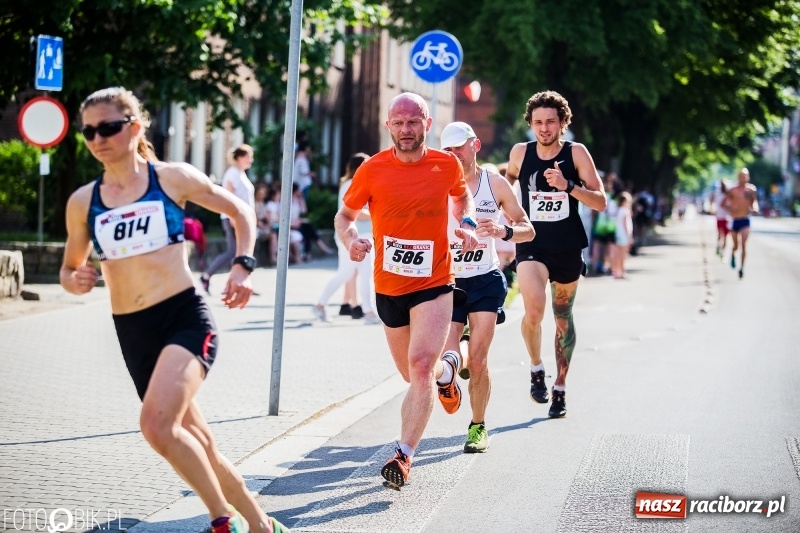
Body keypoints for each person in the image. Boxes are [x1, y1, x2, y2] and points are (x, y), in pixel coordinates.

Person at [60, 87, 287, 533]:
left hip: (184, 318)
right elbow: (70, 269)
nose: (98, 138)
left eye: (108, 127)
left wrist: (242, 266)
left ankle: (224, 522)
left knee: (157, 427)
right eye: (89, 131)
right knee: (199, 443)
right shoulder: (83, 202)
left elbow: (240, 211)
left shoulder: (171, 179)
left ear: (135, 127)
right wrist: (76, 279)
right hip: (132, 332)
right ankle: (264, 526)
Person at [334, 92, 479, 489]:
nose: (405, 130)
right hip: (389, 286)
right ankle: (445, 376)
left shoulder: (446, 164)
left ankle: (404, 455)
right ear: (388, 127)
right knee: (411, 374)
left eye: (413, 122)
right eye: (398, 123)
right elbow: (345, 215)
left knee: (418, 366)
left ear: (427, 124)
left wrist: (463, 223)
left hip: (434, 282)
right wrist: (351, 240)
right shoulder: (373, 170)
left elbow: (461, 196)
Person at [505, 90, 607, 418]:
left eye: (551, 121)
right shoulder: (520, 153)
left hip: (566, 246)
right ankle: (536, 367)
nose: (544, 128)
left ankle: (560, 387)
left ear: (563, 123)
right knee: (534, 311)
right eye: (538, 122)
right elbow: (502, 194)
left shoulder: (576, 153)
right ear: (530, 124)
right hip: (531, 244)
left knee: (563, 320)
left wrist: (568, 186)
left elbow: (601, 201)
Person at [439, 122, 535, 453]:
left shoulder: (494, 184)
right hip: (446, 281)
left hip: (485, 279)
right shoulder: (435, 184)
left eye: (458, 148)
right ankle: (450, 373)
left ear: (475, 146)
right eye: (447, 150)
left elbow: (528, 228)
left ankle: (477, 426)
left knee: (478, 360)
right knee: (448, 358)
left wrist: (503, 231)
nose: (453, 154)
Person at [312, 153, 381, 324]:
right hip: (353, 235)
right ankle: (368, 312)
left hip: (356, 235)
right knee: (353, 273)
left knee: (353, 273)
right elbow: (355, 212)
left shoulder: (351, 184)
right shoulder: (352, 184)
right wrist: (379, 213)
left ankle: (366, 311)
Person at [200, 144, 256, 294]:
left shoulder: (241, 173)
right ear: (239, 158)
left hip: (243, 219)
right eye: (248, 156)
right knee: (233, 251)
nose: (251, 160)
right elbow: (230, 197)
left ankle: (240, 282)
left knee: (241, 251)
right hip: (234, 218)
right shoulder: (232, 173)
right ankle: (206, 276)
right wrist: (233, 217)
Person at [722, 168, 759, 278]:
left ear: (748, 177)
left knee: (744, 245)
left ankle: (742, 268)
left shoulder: (751, 189)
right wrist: (730, 208)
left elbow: (754, 202)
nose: (744, 178)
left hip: (745, 219)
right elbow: (723, 203)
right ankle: (733, 254)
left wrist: (755, 208)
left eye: (746, 176)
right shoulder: (733, 190)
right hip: (734, 220)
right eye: (742, 176)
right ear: (738, 177)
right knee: (736, 245)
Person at [612, 191, 633, 279]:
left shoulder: (618, 210)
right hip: (624, 235)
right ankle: (622, 271)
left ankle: (617, 271)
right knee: (623, 254)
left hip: (618, 233)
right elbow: (626, 225)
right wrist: (629, 236)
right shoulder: (625, 211)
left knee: (618, 254)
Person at [713, 180, 730, 257]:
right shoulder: (718, 194)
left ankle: (722, 252)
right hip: (720, 217)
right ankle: (719, 247)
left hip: (726, 218)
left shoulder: (728, 195)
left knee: (725, 236)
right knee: (720, 235)